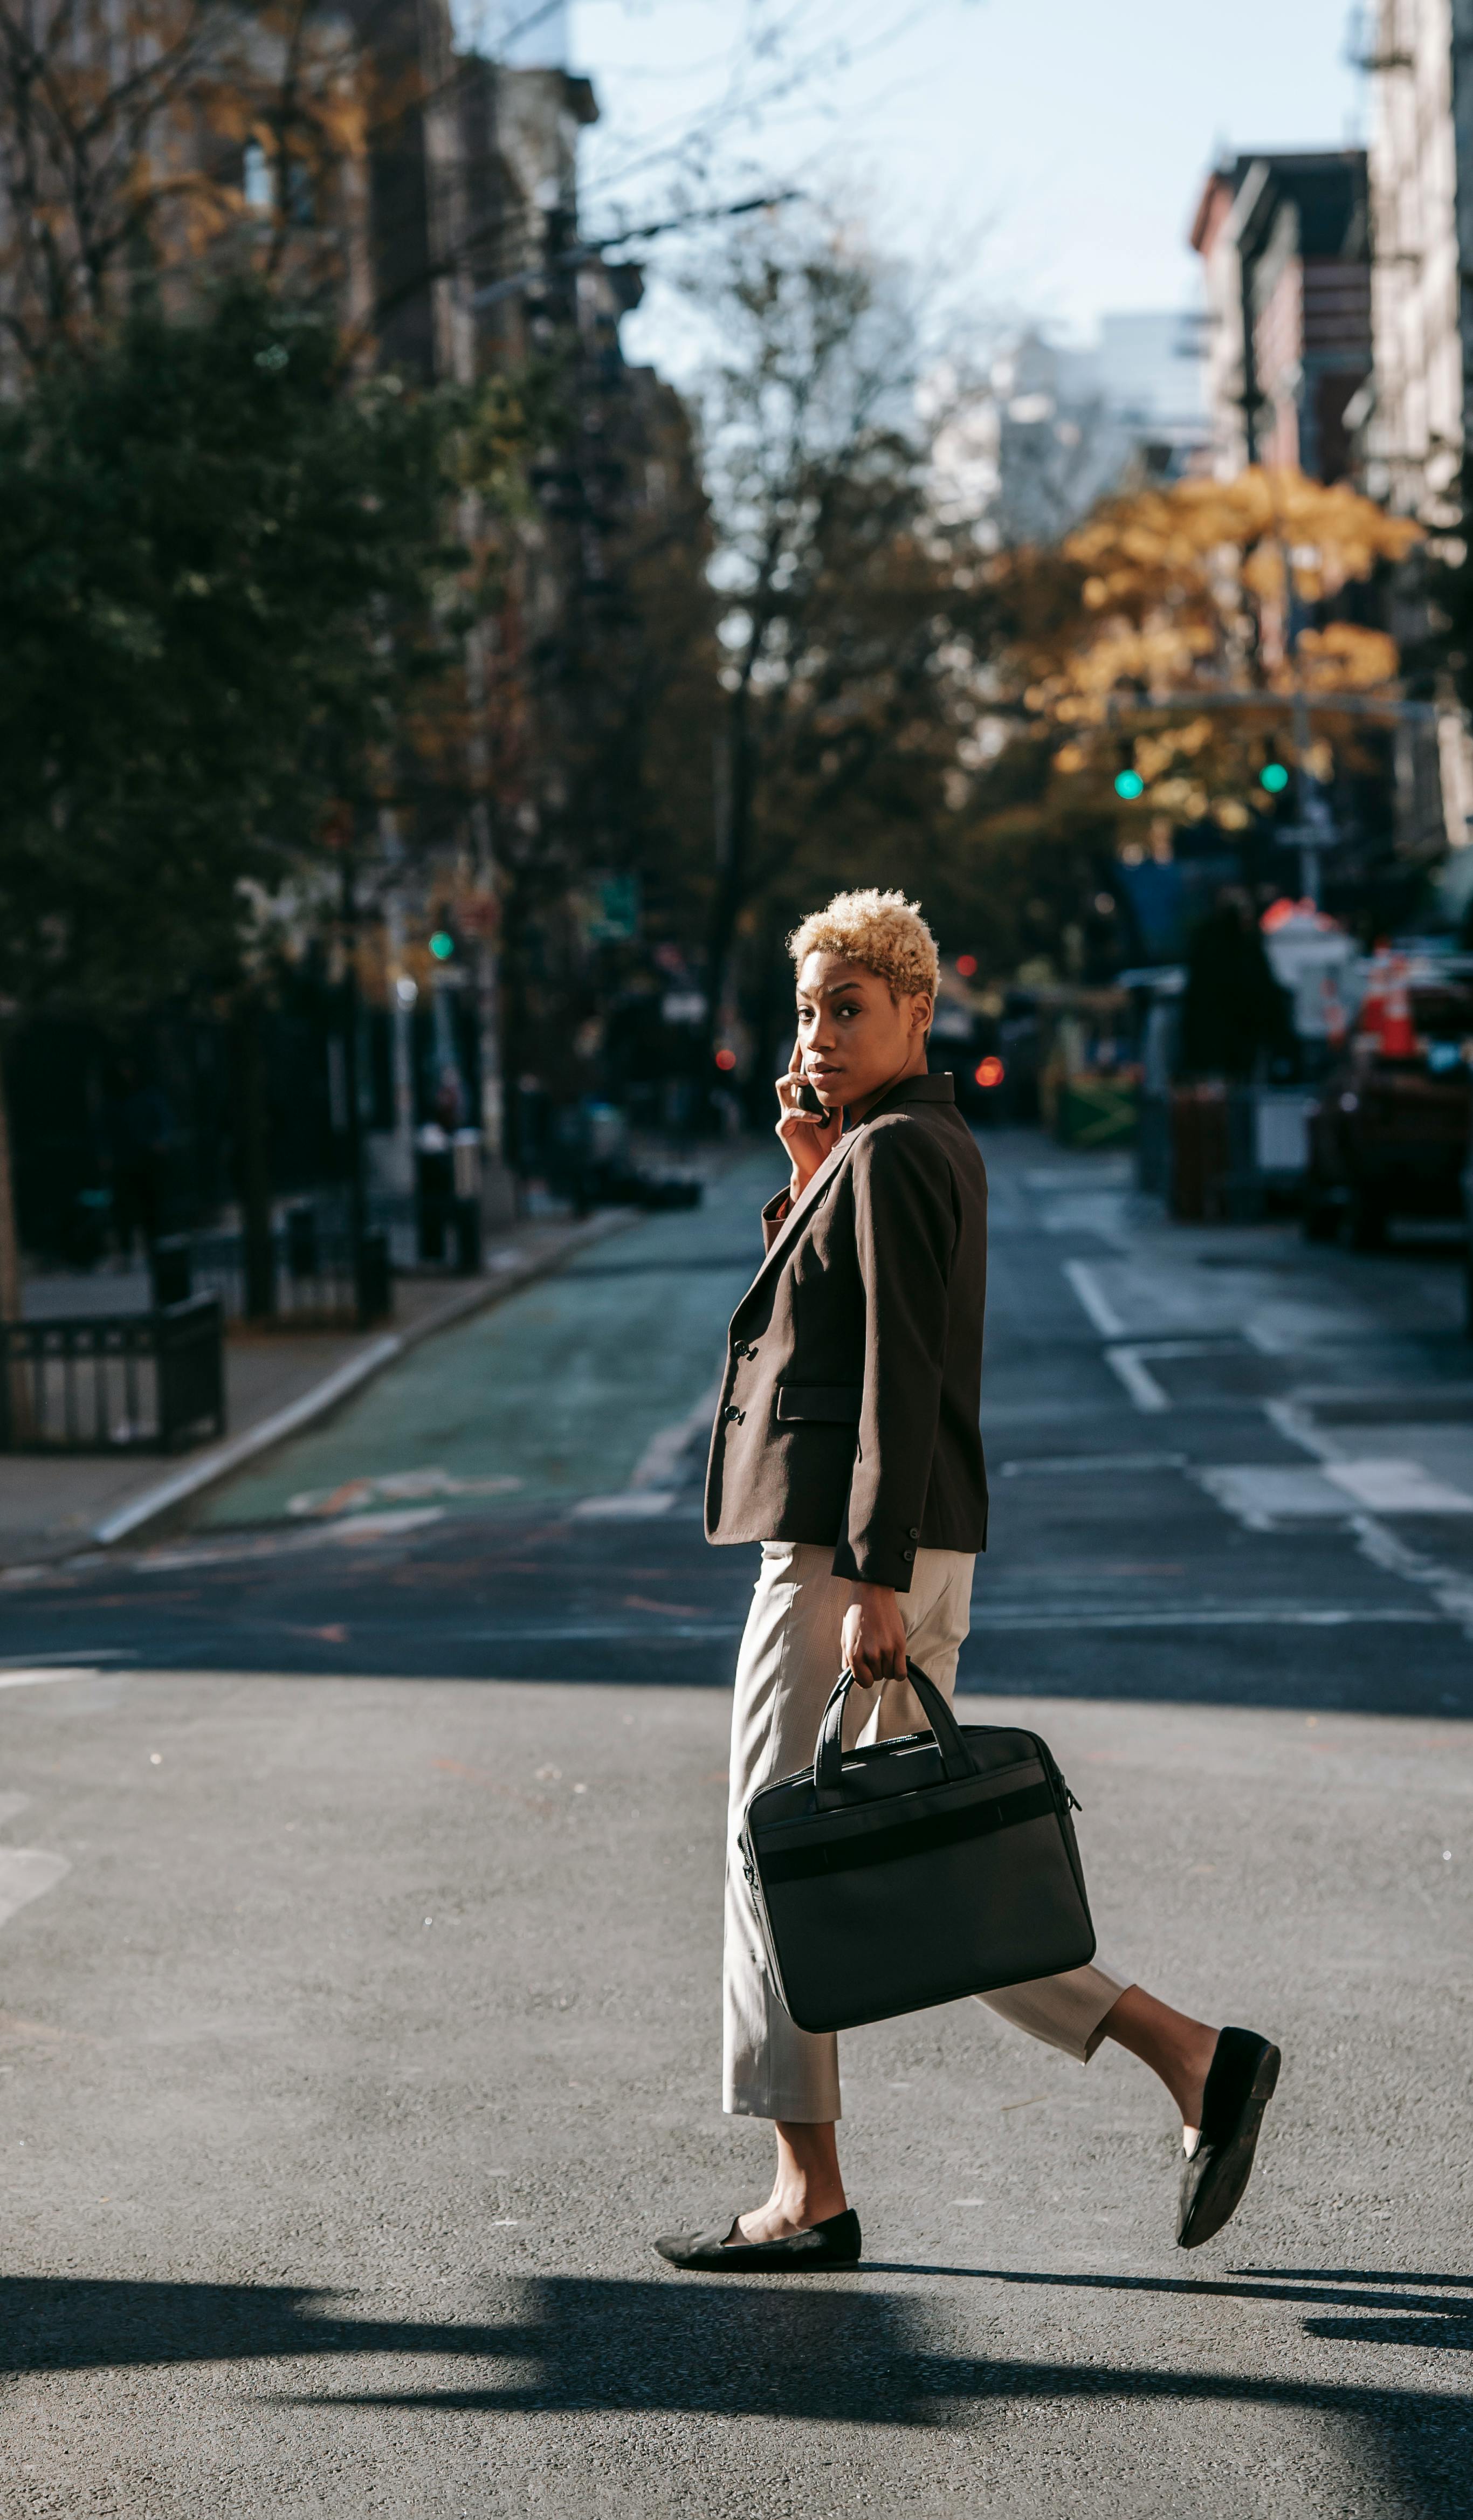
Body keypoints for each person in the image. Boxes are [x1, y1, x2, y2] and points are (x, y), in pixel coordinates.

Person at [656, 889, 1281, 2273]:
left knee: (776, 1857)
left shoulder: (893, 1155)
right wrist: (807, 1166)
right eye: (807, 1010)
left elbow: (897, 1379)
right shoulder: (904, 1144)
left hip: (844, 1555)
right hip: (902, 1549)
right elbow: (848, 1337)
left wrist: (868, 1575)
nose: (817, 1034)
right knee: (928, 1863)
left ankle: (805, 2195)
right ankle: (1193, 2057)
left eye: (848, 1009)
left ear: (918, 1012)